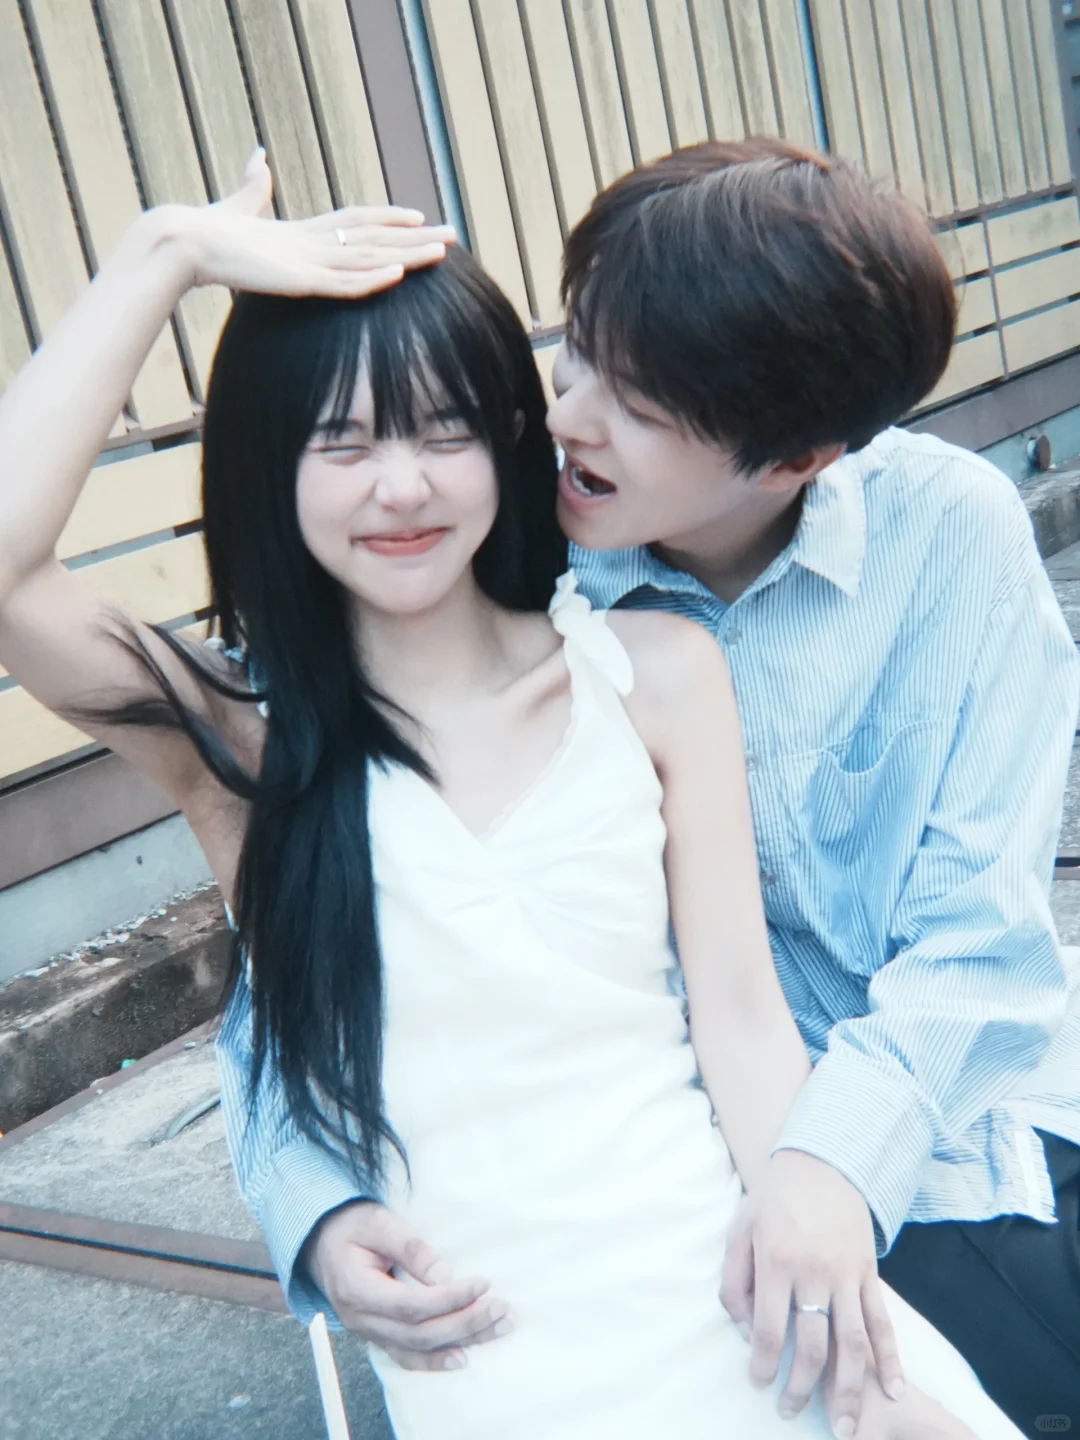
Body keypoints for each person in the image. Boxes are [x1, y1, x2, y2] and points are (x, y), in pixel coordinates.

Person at [0, 155, 1016, 1438]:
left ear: (509, 440)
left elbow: (742, 1024)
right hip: (490, 1347)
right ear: (270, 465)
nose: (404, 486)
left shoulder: (655, 671)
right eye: (342, 442)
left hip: (720, 1286)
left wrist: (831, 1288)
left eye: (445, 430)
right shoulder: (238, 739)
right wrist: (166, 253)